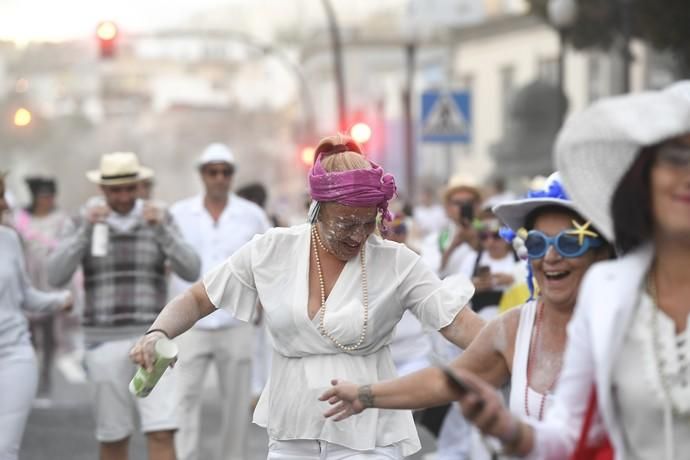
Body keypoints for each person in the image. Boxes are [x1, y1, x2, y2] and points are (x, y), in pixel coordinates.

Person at [129, 134, 485, 460]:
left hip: (369, 433)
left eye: (367, 223)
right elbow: (197, 299)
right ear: (319, 208)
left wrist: (522, 346)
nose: (358, 235)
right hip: (291, 429)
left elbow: (459, 324)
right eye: (346, 223)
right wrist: (157, 333)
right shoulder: (272, 249)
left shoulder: (397, 262)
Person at [427, 81, 690, 459]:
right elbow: (568, 434)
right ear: (646, 178)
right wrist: (510, 430)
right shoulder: (609, 292)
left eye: (569, 242)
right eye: (675, 157)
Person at [319, 174, 611, 456]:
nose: (550, 257)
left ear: (603, 252)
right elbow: (445, 381)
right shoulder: (517, 328)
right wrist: (364, 395)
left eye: (570, 242)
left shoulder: (630, 327)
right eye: (537, 243)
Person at [47, 152, 201, 460]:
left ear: (140, 185)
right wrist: (85, 233)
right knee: (114, 435)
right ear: (102, 190)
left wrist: (161, 231)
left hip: (153, 338)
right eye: (115, 190)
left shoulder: (160, 217)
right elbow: (55, 274)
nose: (124, 196)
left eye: (130, 188)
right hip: (102, 340)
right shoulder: (82, 220)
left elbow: (191, 269)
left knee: (162, 429)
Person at [169, 143, 271, 460]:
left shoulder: (252, 216)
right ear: (202, 174)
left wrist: (261, 306)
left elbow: (269, 263)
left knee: (236, 405)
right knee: (182, 400)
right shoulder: (178, 214)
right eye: (213, 171)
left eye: (225, 172)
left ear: (232, 176)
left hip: (234, 320)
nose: (219, 178)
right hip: (190, 324)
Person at [0, 171, 73, 460]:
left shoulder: (9, 239)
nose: (5, 205)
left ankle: (45, 377)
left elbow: (24, 295)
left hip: (12, 354)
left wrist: (59, 300)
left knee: (5, 450)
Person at [13, 176, 84, 399]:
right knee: (29, 335)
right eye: (43, 196)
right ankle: (28, 377)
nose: (47, 200)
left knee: (50, 333)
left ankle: (45, 377)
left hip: (52, 283)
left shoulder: (62, 219)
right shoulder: (20, 219)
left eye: (50, 196)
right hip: (27, 280)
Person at [420, 175, 481, 279]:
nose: (464, 207)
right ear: (447, 207)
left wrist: (476, 244)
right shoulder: (435, 240)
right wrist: (452, 247)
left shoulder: (491, 235)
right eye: (458, 203)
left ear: (477, 206)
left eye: (469, 202)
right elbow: (429, 275)